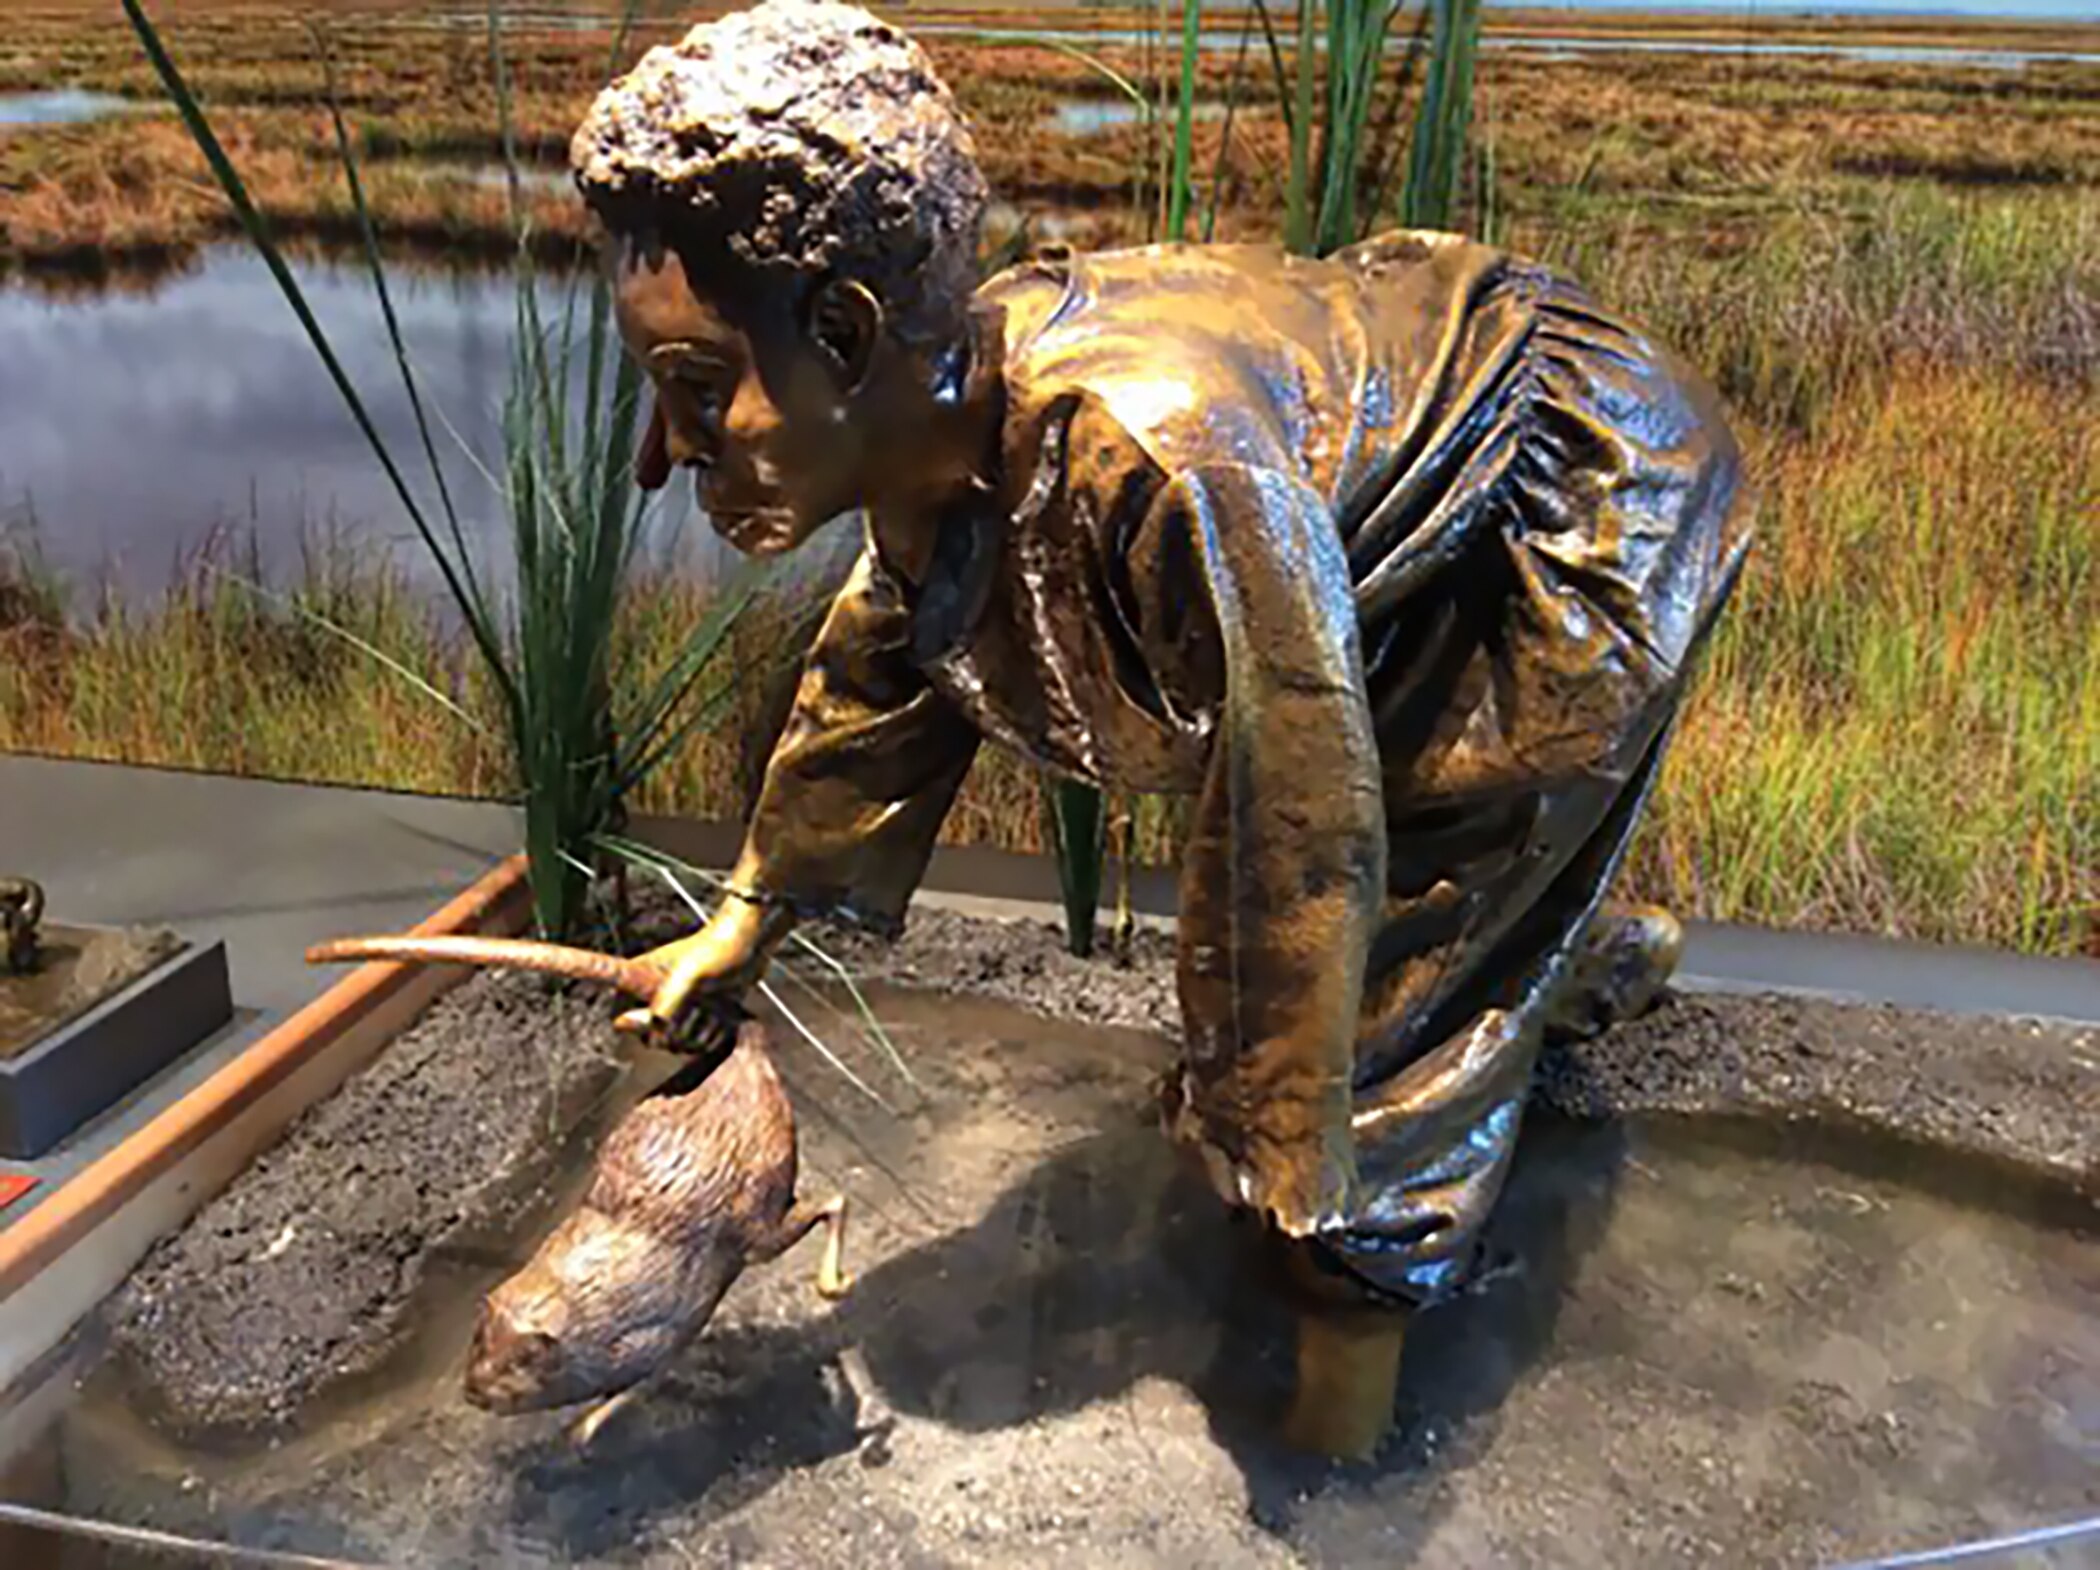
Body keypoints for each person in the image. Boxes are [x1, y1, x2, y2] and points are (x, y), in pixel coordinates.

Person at [576, 0, 1750, 1441]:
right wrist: (744, 922)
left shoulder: (1152, 453)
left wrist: (1283, 1126)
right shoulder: (947, 439)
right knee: (1371, 956)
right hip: (1351, 519)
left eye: (697, 389)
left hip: (1565, 513)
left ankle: (1342, 1429)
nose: (662, 457)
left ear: (845, 330)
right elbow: (888, 667)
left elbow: (1297, 823)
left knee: (1389, 977)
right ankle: (1572, 956)